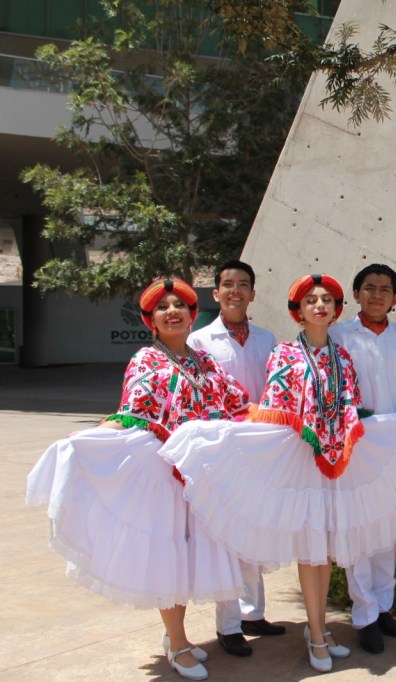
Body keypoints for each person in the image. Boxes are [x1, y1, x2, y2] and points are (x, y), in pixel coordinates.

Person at [161, 274, 396, 673]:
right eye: (312, 300)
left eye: (327, 299)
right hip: (298, 463)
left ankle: (318, 630)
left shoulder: (342, 356)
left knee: (323, 550)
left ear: (336, 308)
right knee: (309, 547)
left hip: (334, 466)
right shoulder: (285, 353)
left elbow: (350, 406)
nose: (320, 306)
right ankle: (288, 631)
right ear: (299, 309)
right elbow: (275, 407)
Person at [27, 277, 251, 681]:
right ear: (151, 319)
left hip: (200, 477)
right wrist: (97, 436)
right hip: (163, 475)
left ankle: (177, 638)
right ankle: (178, 643)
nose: (172, 312)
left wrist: (280, 419)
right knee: (170, 558)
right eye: (162, 307)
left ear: (191, 313)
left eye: (178, 305)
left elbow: (236, 405)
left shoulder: (204, 361)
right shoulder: (147, 360)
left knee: (188, 558)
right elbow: (135, 412)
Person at [187, 260, 284, 657]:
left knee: (255, 531)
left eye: (243, 285)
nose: (235, 291)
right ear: (216, 294)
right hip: (222, 450)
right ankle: (228, 625)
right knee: (226, 535)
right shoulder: (199, 341)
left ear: (253, 293)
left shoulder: (267, 339)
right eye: (227, 285)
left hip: (260, 447)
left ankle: (252, 613)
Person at [329, 263, 396, 654]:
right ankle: (364, 614)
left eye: (385, 289)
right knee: (361, 532)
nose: (376, 295)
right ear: (356, 295)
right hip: (357, 449)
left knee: (389, 530)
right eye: (368, 288)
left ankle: (384, 607)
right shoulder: (337, 336)